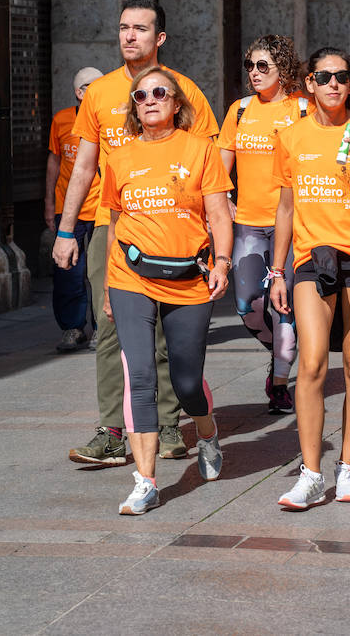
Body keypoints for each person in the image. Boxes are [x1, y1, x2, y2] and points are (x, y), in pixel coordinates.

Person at [53, 0, 219, 467]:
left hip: (178, 228)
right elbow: (83, 167)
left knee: (167, 333)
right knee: (109, 329)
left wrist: (214, 245)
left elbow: (206, 167)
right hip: (115, 226)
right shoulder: (101, 93)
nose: (130, 36)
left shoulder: (184, 90)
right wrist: (67, 232)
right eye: (124, 27)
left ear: (159, 38)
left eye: (141, 29)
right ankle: (111, 430)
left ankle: (168, 426)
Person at [102, 66, 233, 515]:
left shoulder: (200, 150)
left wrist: (221, 262)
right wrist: (107, 285)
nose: (151, 100)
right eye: (141, 96)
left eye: (160, 93)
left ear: (176, 103)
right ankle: (146, 480)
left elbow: (218, 215)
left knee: (185, 382)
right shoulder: (118, 156)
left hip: (187, 276)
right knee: (139, 375)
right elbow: (115, 222)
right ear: (135, 109)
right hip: (130, 277)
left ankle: (207, 432)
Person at [269, 47, 350, 508]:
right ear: (309, 84)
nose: (334, 85)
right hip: (310, 258)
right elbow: (285, 207)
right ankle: (310, 473)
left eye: (342, 77)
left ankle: (347, 469)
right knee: (312, 363)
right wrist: (277, 270)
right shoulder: (292, 136)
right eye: (324, 77)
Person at [218, 35, 310, 414]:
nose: (254, 73)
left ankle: (280, 381)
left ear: (283, 69)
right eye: (250, 66)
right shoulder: (239, 110)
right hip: (249, 225)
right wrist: (225, 200)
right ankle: (283, 349)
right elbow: (220, 171)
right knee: (246, 306)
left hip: (293, 224)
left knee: (283, 304)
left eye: (263, 66)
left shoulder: (303, 109)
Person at [46, 67, 104, 353]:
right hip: (68, 207)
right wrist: (48, 204)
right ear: (79, 92)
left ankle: (100, 330)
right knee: (67, 270)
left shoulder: (108, 116)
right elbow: (54, 163)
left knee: (99, 271)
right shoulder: (62, 120)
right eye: (92, 86)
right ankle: (72, 328)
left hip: (102, 207)